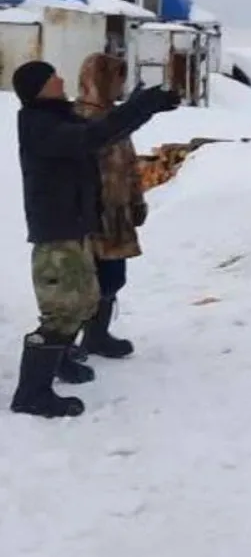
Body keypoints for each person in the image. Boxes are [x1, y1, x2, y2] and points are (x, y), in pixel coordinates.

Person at [8, 60, 178, 418]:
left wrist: (146, 108)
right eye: (53, 76)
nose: (61, 78)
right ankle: (31, 394)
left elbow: (105, 132)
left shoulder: (60, 116)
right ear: (39, 87)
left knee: (84, 301)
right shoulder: (40, 125)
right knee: (62, 311)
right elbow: (93, 138)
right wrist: (141, 106)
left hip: (76, 225)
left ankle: (60, 362)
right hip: (56, 232)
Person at [74, 53, 147, 361]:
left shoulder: (116, 118)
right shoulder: (77, 118)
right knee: (83, 281)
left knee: (113, 277)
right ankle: (63, 345)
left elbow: (129, 163)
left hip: (117, 212)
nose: (121, 86)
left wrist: (136, 199)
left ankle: (97, 335)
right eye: (117, 78)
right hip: (88, 214)